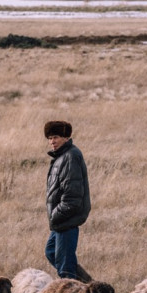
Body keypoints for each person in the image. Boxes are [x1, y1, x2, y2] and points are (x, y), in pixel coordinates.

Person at [44, 120, 91, 281]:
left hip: (66, 218)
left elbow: (73, 197)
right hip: (60, 220)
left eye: (55, 137)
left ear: (65, 137)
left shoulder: (70, 156)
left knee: (65, 268)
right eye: (49, 138)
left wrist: (56, 214)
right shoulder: (61, 156)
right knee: (51, 252)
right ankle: (88, 285)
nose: (52, 142)